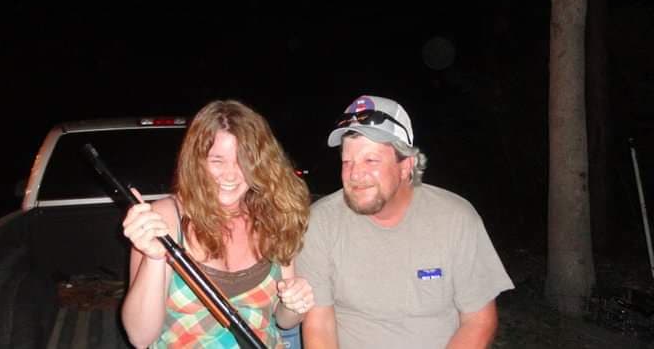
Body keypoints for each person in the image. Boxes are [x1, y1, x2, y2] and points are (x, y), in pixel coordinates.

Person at [296, 95, 514, 349]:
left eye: (371, 160)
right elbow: (319, 325)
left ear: (406, 166)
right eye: (347, 161)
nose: (355, 173)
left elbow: (479, 320)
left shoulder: (456, 218)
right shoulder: (322, 222)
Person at [121, 100, 314, 348]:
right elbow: (140, 337)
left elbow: (284, 321)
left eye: (242, 161)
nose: (231, 175)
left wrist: (294, 303)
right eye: (217, 160)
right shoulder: (164, 220)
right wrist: (154, 258)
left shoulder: (275, 216)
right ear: (197, 162)